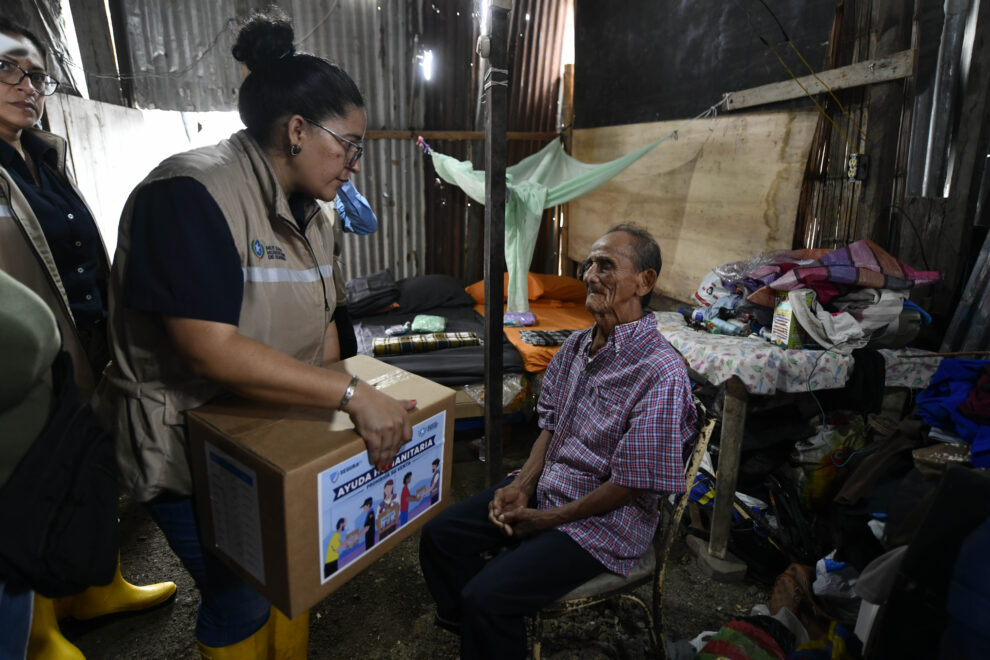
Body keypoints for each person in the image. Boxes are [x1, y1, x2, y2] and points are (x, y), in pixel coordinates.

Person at [92, 8, 414, 658]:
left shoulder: (316, 218)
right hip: (183, 440)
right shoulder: (189, 194)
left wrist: (343, 411)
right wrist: (352, 399)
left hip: (263, 431)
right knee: (239, 590)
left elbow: (325, 327)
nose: (355, 164)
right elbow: (207, 348)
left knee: (288, 570)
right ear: (297, 130)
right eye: (349, 143)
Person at [418, 225, 698, 659]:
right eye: (590, 264)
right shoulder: (574, 348)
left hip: (606, 522)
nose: (590, 275)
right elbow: (550, 426)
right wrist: (523, 484)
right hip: (550, 490)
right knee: (440, 537)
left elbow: (629, 485)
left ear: (645, 282)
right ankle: (476, 630)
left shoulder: (661, 372)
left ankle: (486, 619)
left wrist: (547, 520)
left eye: (606, 266)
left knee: (488, 598)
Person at [0, 18, 176, 658]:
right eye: (8, 69)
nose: (27, 86)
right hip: (21, 362)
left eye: (37, 75)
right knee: (30, 484)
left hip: (86, 333)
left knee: (92, 462)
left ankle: (96, 587)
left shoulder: (43, 154)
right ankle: (39, 628)